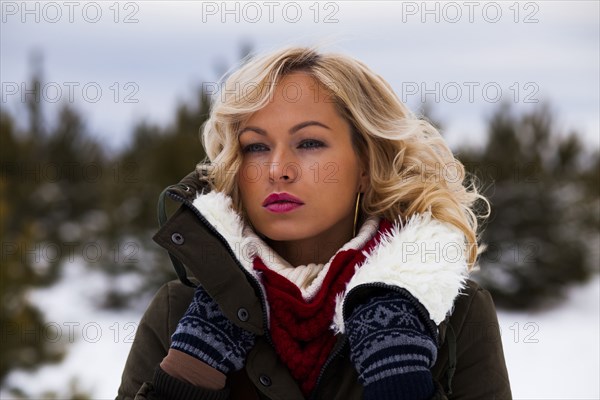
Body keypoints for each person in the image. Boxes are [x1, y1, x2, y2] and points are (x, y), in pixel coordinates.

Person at [116, 46, 511, 400]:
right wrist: (186, 380)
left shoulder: (452, 317)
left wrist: (401, 382)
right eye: (256, 146)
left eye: (309, 143)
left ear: (367, 167)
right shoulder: (180, 313)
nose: (277, 169)